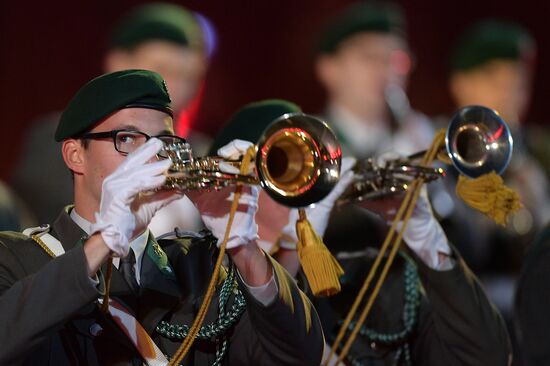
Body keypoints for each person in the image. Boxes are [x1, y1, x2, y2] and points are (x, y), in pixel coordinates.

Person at [0, 70, 324, 365]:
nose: (152, 155)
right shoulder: (17, 256)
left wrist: (245, 247)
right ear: (75, 155)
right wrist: (105, 242)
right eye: (126, 138)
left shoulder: (198, 266)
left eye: (164, 142)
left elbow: (296, 357)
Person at [209, 99, 513, 365]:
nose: (306, 185)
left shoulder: (373, 278)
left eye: (310, 168)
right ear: (233, 185)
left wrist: (426, 238)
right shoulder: (209, 288)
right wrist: (293, 252)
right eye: (283, 167)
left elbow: (486, 356)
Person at [12, 3, 212, 228]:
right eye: (162, 69)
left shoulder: (203, 151)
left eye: (190, 76)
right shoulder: (57, 135)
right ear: (118, 63)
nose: (175, 87)